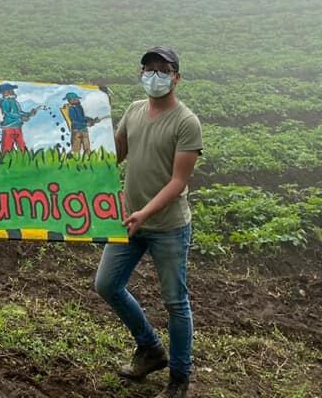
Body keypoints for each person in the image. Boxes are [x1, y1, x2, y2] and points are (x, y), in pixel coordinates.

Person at [94, 47, 203, 398]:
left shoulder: (186, 122)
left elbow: (178, 182)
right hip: (130, 221)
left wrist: (145, 213)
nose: (155, 76)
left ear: (176, 77)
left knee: (175, 302)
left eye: (163, 70)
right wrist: (95, 118)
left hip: (168, 226)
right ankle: (150, 349)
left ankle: (180, 378)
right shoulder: (134, 111)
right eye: (149, 69)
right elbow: (116, 153)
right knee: (107, 284)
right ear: (140, 73)